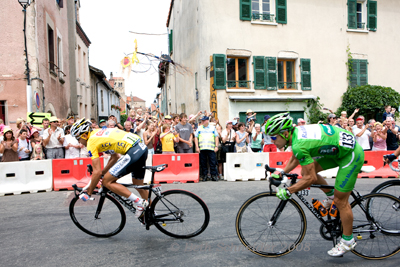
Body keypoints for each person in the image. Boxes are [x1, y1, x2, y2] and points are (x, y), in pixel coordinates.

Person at [265, 113, 363, 257]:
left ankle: (348, 241)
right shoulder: (297, 133)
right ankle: (330, 197)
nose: (272, 141)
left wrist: (289, 191)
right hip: (338, 150)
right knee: (308, 171)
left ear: (285, 133)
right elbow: (296, 157)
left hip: (351, 155)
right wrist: (282, 172)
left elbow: (310, 179)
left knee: (341, 201)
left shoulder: (299, 144)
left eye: (273, 137)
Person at [71, 118, 149, 218]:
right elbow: (115, 157)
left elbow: (96, 172)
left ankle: (139, 202)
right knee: (138, 184)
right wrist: (103, 173)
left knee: (107, 182)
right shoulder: (100, 132)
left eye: (78, 139)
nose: (79, 142)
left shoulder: (91, 142)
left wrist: (89, 193)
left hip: (133, 152)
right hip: (141, 149)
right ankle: (151, 213)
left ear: (84, 135)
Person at [195, 116, 219, 181]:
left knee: (213, 162)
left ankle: (213, 175)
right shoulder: (199, 128)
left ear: (207, 121)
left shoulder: (212, 128)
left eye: (203, 120)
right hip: (202, 148)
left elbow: (216, 137)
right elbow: (196, 137)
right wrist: (197, 147)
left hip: (211, 148)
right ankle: (204, 175)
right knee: (203, 163)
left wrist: (216, 146)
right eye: (201, 121)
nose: (202, 122)